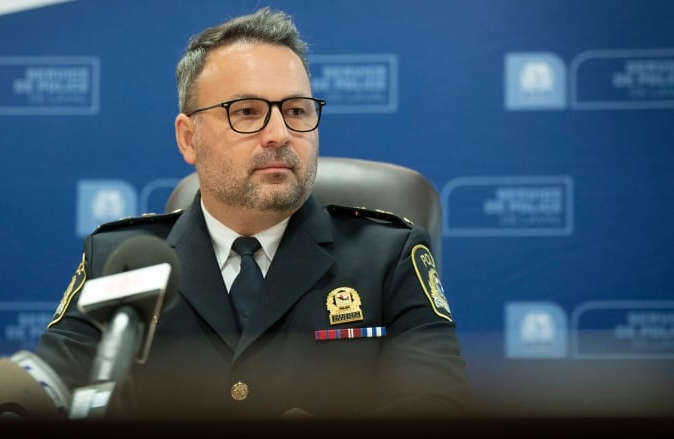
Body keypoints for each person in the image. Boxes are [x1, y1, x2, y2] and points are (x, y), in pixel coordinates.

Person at [35, 6, 471, 420]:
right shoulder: (123, 262)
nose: (280, 134)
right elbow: (44, 396)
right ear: (189, 139)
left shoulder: (387, 259)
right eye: (247, 112)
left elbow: (439, 404)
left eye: (297, 110)